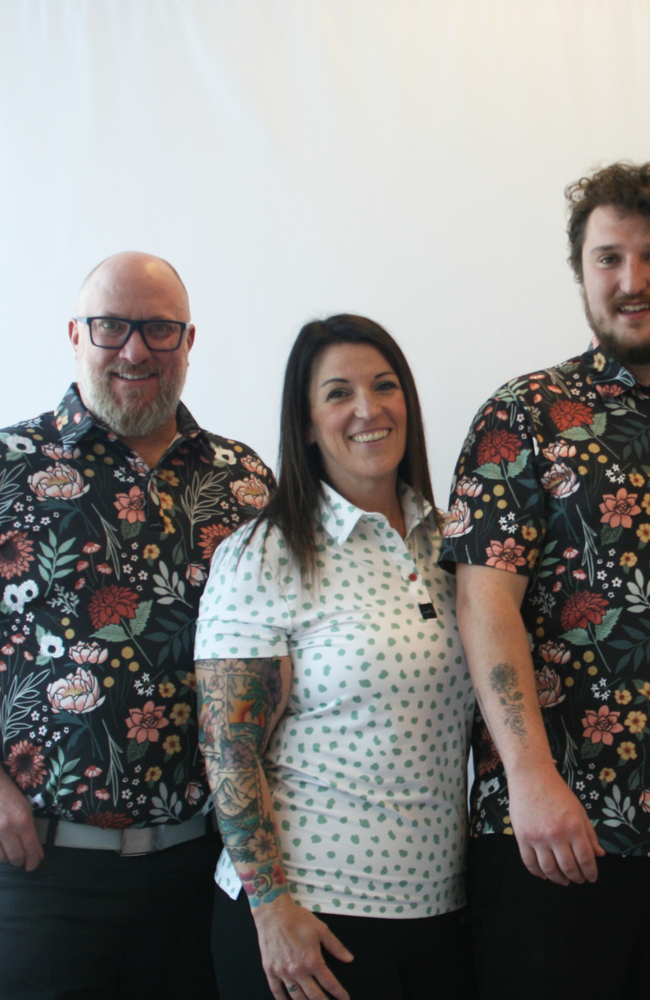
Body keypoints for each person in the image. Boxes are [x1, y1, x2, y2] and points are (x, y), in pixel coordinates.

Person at [0, 251, 275, 999]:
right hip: (46, 875)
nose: (134, 350)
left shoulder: (243, 482)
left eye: (159, 329)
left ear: (188, 341)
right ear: (75, 334)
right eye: (111, 325)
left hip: (205, 876)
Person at [439, 161, 650, 1000]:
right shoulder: (524, 415)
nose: (632, 281)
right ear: (582, 273)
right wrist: (531, 779)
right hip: (550, 837)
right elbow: (484, 603)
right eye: (608, 258)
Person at [194, 315, 476, 1000]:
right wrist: (271, 911)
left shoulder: (453, 546)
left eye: (385, 386)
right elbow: (229, 748)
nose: (367, 409)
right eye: (338, 393)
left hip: (442, 912)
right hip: (311, 921)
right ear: (307, 423)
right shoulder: (265, 553)